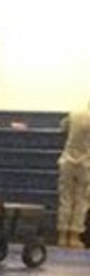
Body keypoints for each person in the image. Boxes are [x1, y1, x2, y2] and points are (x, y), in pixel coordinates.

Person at [58, 97, 90, 249]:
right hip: (86, 163)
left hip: (67, 160)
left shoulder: (74, 114)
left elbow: (63, 127)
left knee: (66, 198)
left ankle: (62, 235)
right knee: (81, 200)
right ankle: (74, 236)